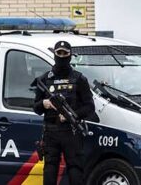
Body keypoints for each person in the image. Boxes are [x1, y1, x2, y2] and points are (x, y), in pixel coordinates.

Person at [32, 40, 95, 185]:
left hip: (71, 132)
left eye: (64, 53)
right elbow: (35, 108)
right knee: (50, 170)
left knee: (75, 170)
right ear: (54, 55)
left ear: (70, 56)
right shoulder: (44, 79)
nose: (61, 56)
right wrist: (44, 103)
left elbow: (89, 107)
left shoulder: (79, 79)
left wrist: (73, 115)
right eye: (58, 53)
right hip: (51, 132)